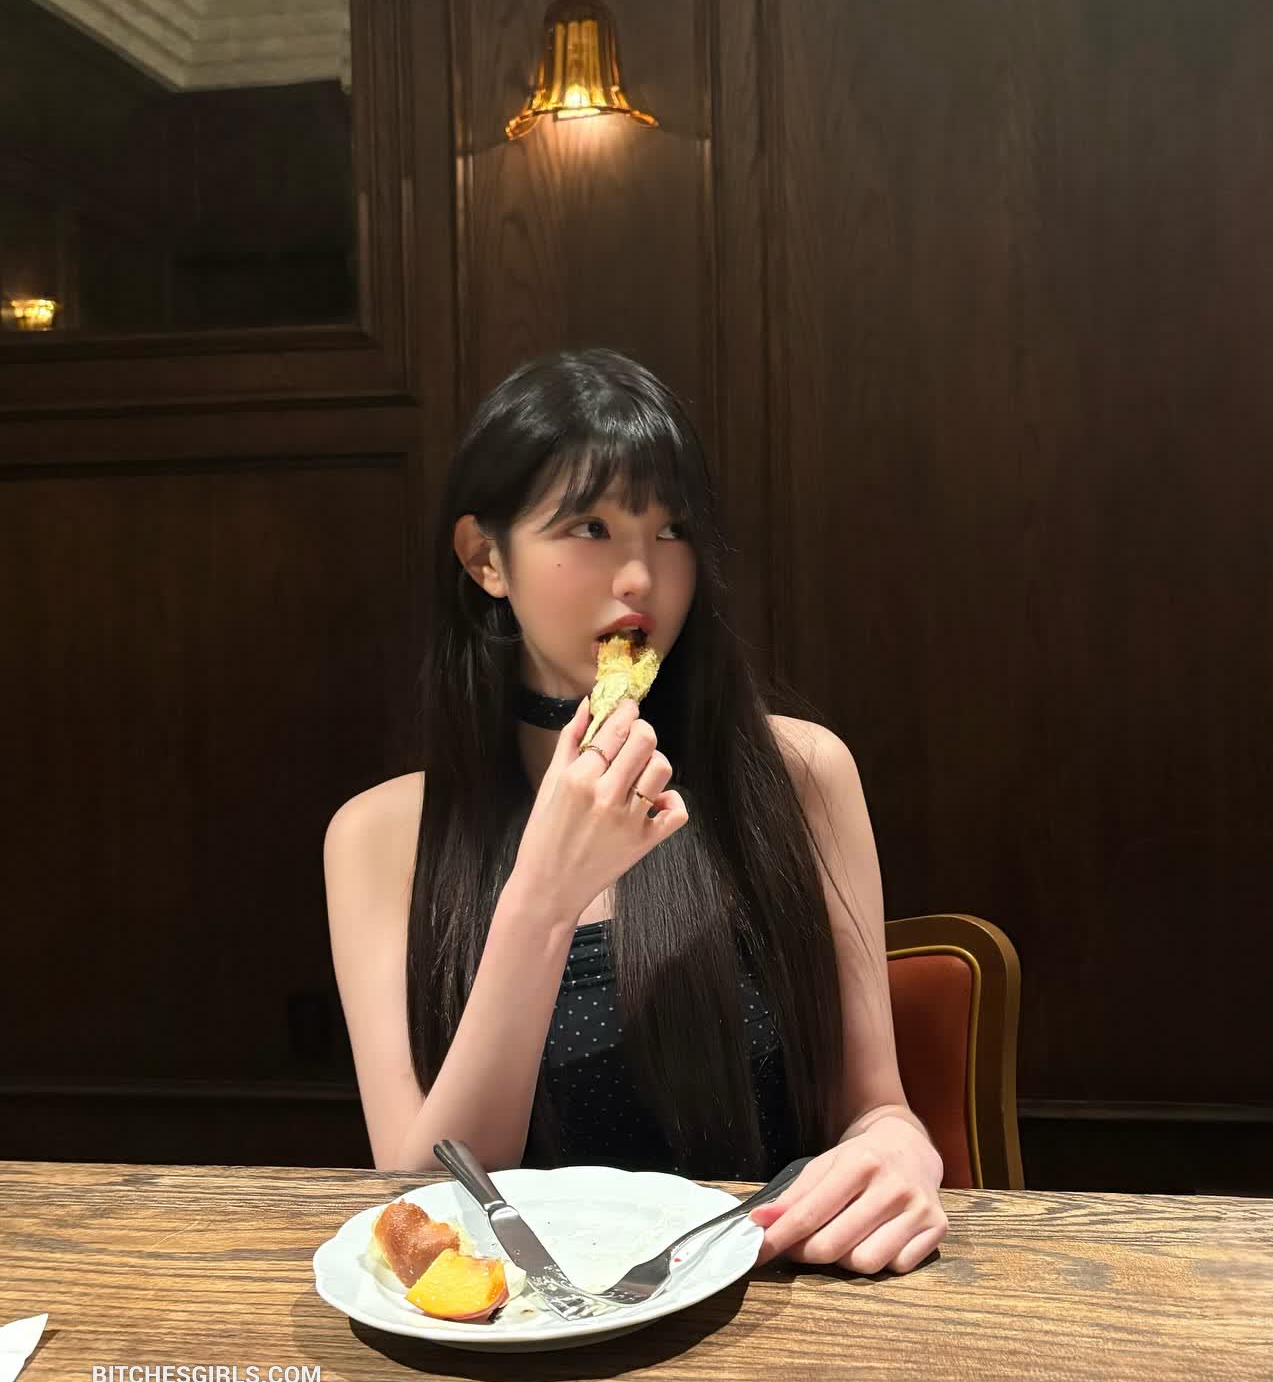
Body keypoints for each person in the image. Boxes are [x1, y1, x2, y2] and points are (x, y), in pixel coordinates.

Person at [324, 348, 947, 1276]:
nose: (642, 577)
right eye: (590, 525)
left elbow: (874, 1107)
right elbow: (426, 1202)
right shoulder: (377, 836)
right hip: (516, 1326)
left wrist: (900, 1144)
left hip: (774, 1298)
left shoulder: (801, 775)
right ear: (485, 557)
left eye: (672, 529)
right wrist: (542, 897)